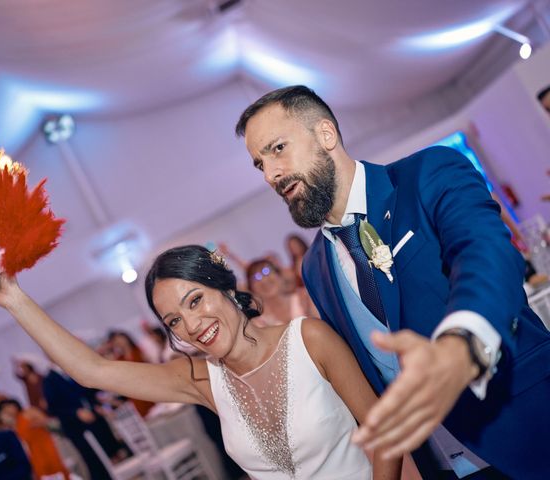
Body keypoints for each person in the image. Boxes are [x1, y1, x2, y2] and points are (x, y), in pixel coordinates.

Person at [235, 85, 550, 479]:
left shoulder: (427, 175)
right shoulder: (315, 267)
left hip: (526, 430)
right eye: (259, 164)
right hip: (444, 465)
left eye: (277, 149)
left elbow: (486, 256)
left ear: (326, 135)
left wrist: (462, 346)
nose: (270, 175)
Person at [0, 245, 401, 479]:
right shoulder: (201, 379)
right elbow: (93, 370)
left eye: (195, 300)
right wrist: (14, 300)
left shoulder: (309, 339)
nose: (192, 325)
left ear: (226, 290)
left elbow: (385, 437)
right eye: (174, 320)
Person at [0, 398, 70, 480]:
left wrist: (40, 423)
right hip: (34, 456)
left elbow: (49, 422)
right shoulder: (11, 426)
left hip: (48, 447)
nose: (8, 409)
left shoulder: (29, 412)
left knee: (60, 472)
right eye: (4, 409)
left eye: (9, 405)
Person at [245, 257, 317, 327]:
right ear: (251, 288)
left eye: (266, 271)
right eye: (256, 277)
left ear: (279, 275)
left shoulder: (304, 297)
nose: (263, 280)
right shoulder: (259, 320)